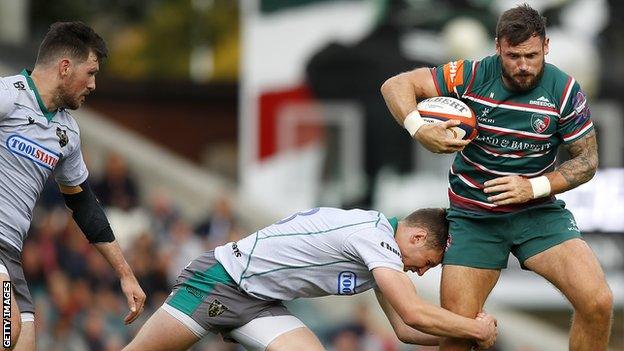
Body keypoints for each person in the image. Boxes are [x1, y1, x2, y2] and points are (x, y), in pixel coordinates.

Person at [380, 4, 613, 351]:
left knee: (598, 302)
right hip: (475, 217)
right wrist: (418, 128)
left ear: (546, 47)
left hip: (537, 213)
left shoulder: (564, 91)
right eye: (513, 55)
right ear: (497, 47)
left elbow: (588, 161)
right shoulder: (470, 75)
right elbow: (396, 85)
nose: (523, 66)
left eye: (532, 56)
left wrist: (531, 187)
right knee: (459, 334)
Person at [123, 207, 497, 351]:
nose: (422, 271)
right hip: (219, 282)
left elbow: (404, 330)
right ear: (415, 237)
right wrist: (473, 328)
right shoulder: (375, 237)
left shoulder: (384, 257)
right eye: (428, 262)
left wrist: (465, 335)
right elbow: (414, 313)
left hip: (259, 305)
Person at [0, 22, 146, 350]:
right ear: (65, 67)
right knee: (5, 329)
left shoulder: (68, 133)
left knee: (23, 343)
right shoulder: (8, 95)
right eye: (90, 72)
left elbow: (84, 206)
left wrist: (125, 273)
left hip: (10, 251)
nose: (93, 84)